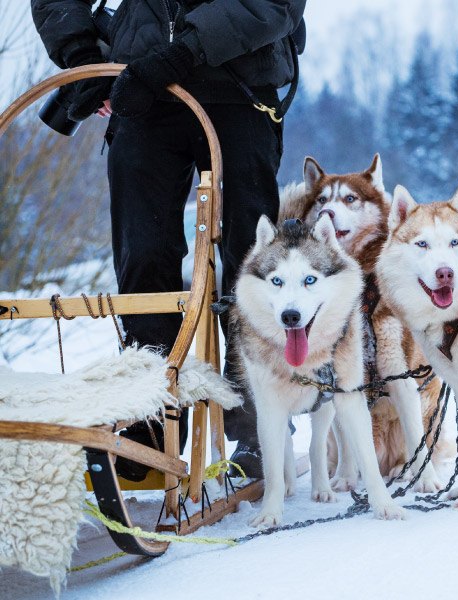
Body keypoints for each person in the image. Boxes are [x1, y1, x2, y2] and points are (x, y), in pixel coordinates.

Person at [31, 0, 307, 479]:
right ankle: (149, 421)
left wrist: (185, 50)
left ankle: (261, 418)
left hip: (239, 83)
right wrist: (82, 55)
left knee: (250, 257)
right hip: (142, 89)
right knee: (142, 254)